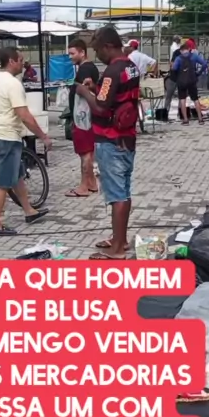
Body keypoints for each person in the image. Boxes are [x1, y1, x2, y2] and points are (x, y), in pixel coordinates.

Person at [75, 25, 140, 260]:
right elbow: (115, 97)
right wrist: (97, 88)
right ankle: (119, 239)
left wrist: (84, 92)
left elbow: (102, 107)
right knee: (123, 191)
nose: (97, 55)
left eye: (98, 50)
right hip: (127, 138)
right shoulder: (130, 67)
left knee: (117, 195)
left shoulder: (113, 71)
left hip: (111, 140)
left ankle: (118, 249)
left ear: (108, 46)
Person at [0, 48, 52, 236]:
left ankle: (29, 211)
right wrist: (43, 136)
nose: (23, 63)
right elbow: (24, 115)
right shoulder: (12, 84)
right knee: (3, 182)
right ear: (11, 61)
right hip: (6, 137)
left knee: (17, 175)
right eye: (20, 60)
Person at [66, 39, 99, 197]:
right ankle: (91, 183)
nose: (70, 57)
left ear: (82, 52)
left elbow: (86, 91)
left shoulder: (85, 69)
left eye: (72, 53)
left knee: (85, 153)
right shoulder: (88, 68)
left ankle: (84, 186)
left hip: (83, 118)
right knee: (86, 151)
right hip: (85, 117)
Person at [171, 44, 208, 125]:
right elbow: (205, 64)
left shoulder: (178, 58)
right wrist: (198, 73)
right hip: (192, 80)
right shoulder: (194, 56)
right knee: (195, 99)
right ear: (189, 49)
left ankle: (185, 120)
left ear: (181, 51)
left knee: (182, 99)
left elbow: (174, 68)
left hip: (181, 81)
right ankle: (200, 119)